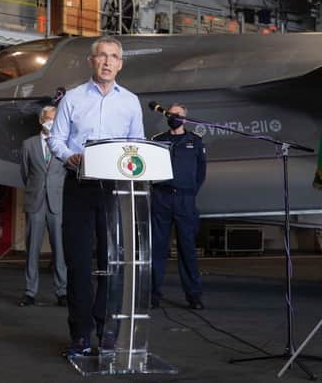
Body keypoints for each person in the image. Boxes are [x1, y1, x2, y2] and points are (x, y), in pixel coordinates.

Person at [49, 36, 144, 356]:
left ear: (121, 63)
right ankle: (79, 335)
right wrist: (69, 156)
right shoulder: (73, 98)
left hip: (114, 190)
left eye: (113, 56)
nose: (107, 62)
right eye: (101, 56)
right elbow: (56, 140)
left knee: (112, 262)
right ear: (91, 61)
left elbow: (138, 145)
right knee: (78, 263)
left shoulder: (130, 102)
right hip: (79, 185)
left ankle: (106, 331)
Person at [150, 103, 207, 310]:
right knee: (157, 248)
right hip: (161, 198)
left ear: (185, 118)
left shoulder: (195, 141)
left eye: (178, 115)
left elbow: (201, 172)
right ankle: (152, 295)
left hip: (185, 200)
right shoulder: (158, 141)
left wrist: (189, 191)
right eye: (170, 114)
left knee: (187, 250)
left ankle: (194, 295)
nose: (173, 117)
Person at [18, 106, 67, 307]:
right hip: (35, 203)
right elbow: (24, 173)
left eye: (55, 119)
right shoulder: (28, 144)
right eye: (48, 119)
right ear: (41, 120)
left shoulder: (64, 144)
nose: (51, 122)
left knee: (60, 250)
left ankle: (62, 291)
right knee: (32, 250)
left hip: (57, 203)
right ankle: (30, 291)